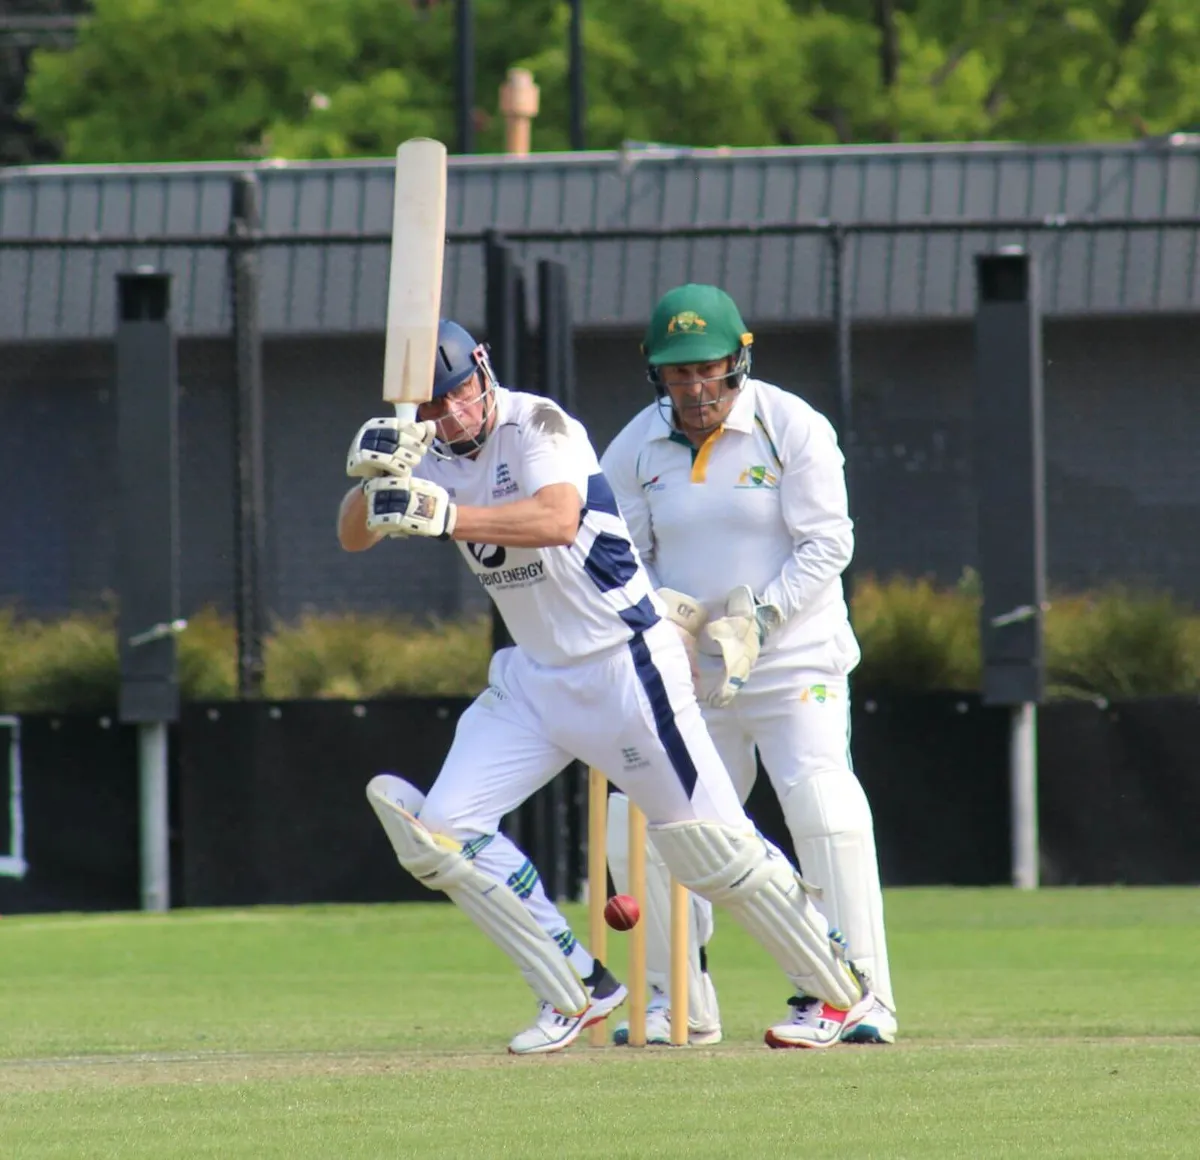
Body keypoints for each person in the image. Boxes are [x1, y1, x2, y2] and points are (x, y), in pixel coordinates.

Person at [338, 318, 874, 1054]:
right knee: (443, 835)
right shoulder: (426, 448)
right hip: (534, 680)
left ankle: (838, 991)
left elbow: (558, 519)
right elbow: (353, 535)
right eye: (434, 405)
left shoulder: (540, 423)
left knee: (710, 849)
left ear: (482, 369)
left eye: (461, 390)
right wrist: (373, 475)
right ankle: (577, 987)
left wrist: (446, 514)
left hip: (625, 664)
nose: (455, 412)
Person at [599, 284, 898, 1046]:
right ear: (656, 375)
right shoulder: (633, 447)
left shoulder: (790, 424)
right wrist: (663, 614)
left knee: (822, 805)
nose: (696, 388)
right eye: (677, 373)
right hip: (692, 669)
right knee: (637, 822)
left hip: (794, 657)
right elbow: (624, 558)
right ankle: (678, 1000)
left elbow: (828, 542)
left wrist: (758, 619)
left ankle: (851, 994)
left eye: (709, 370)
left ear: (739, 360)